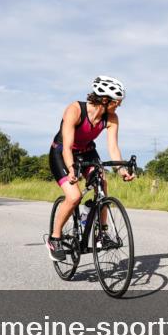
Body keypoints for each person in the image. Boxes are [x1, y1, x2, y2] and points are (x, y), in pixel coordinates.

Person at [46, 76, 135, 262]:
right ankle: (55, 238)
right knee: (74, 197)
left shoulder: (111, 117)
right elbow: (68, 147)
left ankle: (102, 233)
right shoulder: (75, 110)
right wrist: (72, 169)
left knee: (101, 181)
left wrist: (121, 170)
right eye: (117, 102)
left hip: (87, 153)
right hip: (62, 153)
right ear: (104, 100)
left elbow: (113, 148)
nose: (119, 105)